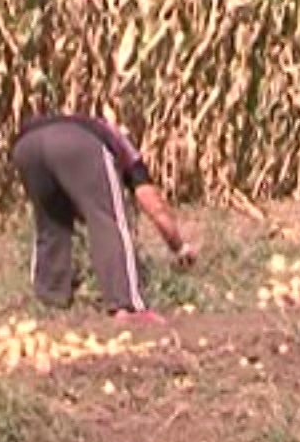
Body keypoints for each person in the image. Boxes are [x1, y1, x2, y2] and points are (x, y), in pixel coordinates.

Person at [11, 113, 195, 321]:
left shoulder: (80, 122)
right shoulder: (123, 147)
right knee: (109, 220)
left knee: (51, 224)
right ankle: (127, 306)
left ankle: (48, 300)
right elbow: (154, 206)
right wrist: (179, 247)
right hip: (78, 143)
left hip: (26, 145)